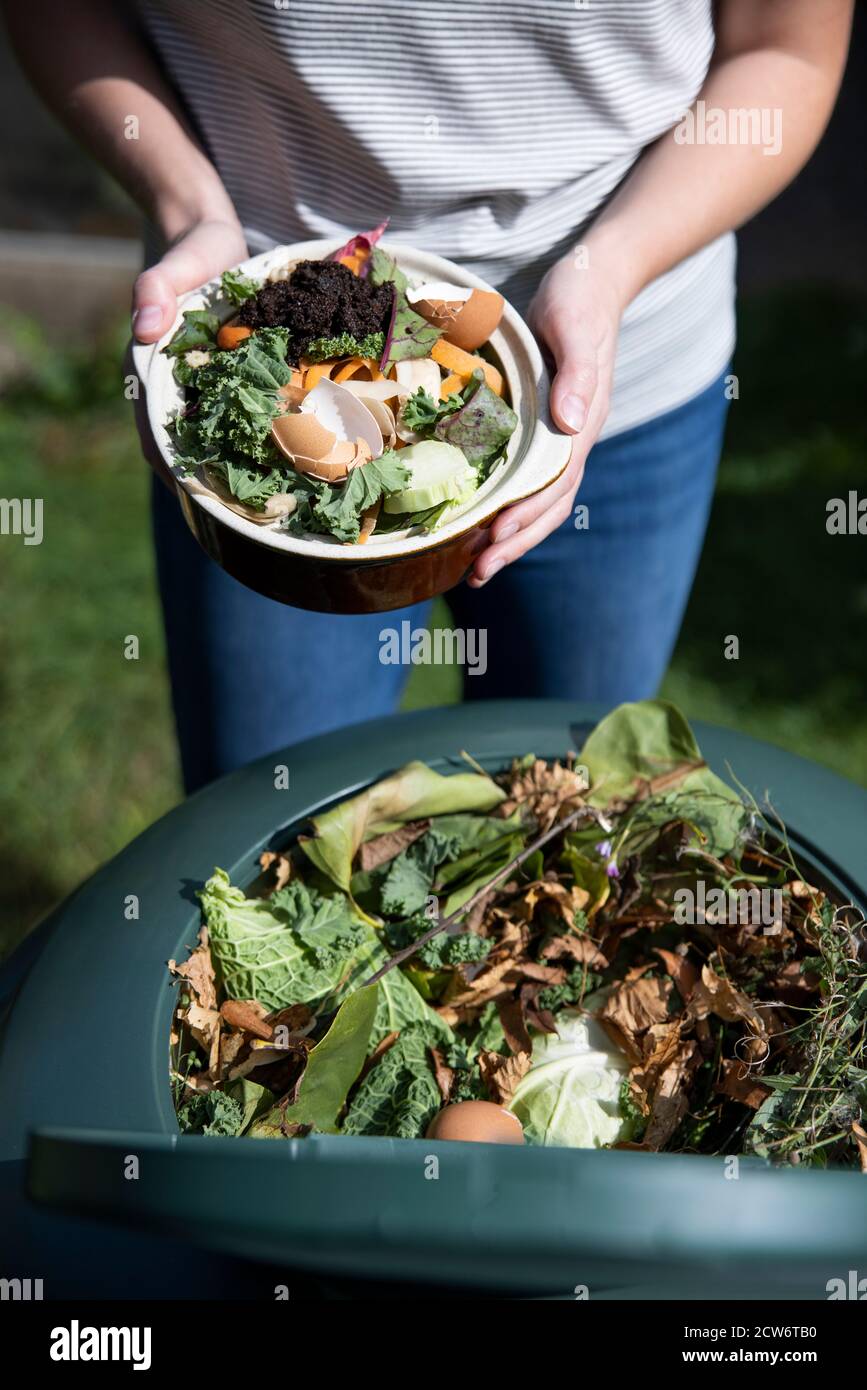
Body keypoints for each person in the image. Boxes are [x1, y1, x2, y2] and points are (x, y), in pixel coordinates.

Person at [4, 0, 853, 791]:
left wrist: (611, 270)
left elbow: (783, 50)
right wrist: (187, 207)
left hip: (622, 372)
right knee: (272, 831)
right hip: (260, 406)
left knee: (561, 799)